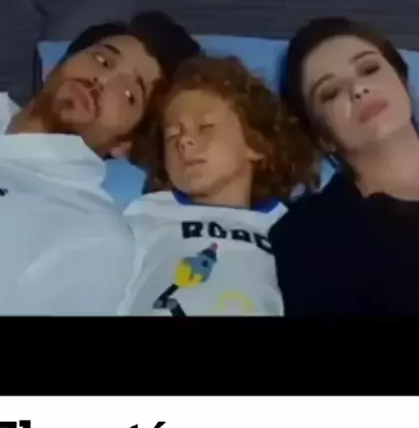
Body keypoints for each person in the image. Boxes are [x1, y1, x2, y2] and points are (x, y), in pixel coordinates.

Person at [0, 10, 200, 315]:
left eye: (129, 94)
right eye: (102, 60)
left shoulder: (93, 237)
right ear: (57, 66)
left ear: (124, 144)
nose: (102, 81)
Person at [117, 55, 315, 316]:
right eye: (172, 135)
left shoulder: (289, 229)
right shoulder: (145, 215)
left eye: (205, 127)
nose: (184, 141)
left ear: (256, 145)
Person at [270, 17, 419, 316]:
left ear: (405, 84)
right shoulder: (308, 238)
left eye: (369, 69)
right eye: (330, 92)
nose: (358, 88)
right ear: (323, 137)